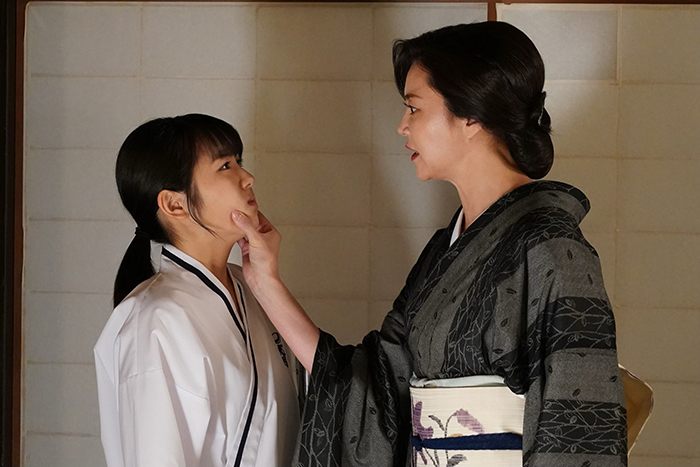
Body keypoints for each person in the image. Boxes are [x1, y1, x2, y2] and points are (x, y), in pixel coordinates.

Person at [232, 22, 627, 467]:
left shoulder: (552, 248)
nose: (402, 126)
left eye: (413, 108)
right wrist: (265, 282)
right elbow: (377, 388)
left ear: (471, 115)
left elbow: (577, 430)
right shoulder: (446, 248)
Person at [94, 114, 299, 467]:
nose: (248, 177)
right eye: (225, 166)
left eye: (238, 161)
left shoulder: (252, 288)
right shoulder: (154, 320)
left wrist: (270, 283)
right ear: (175, 204)